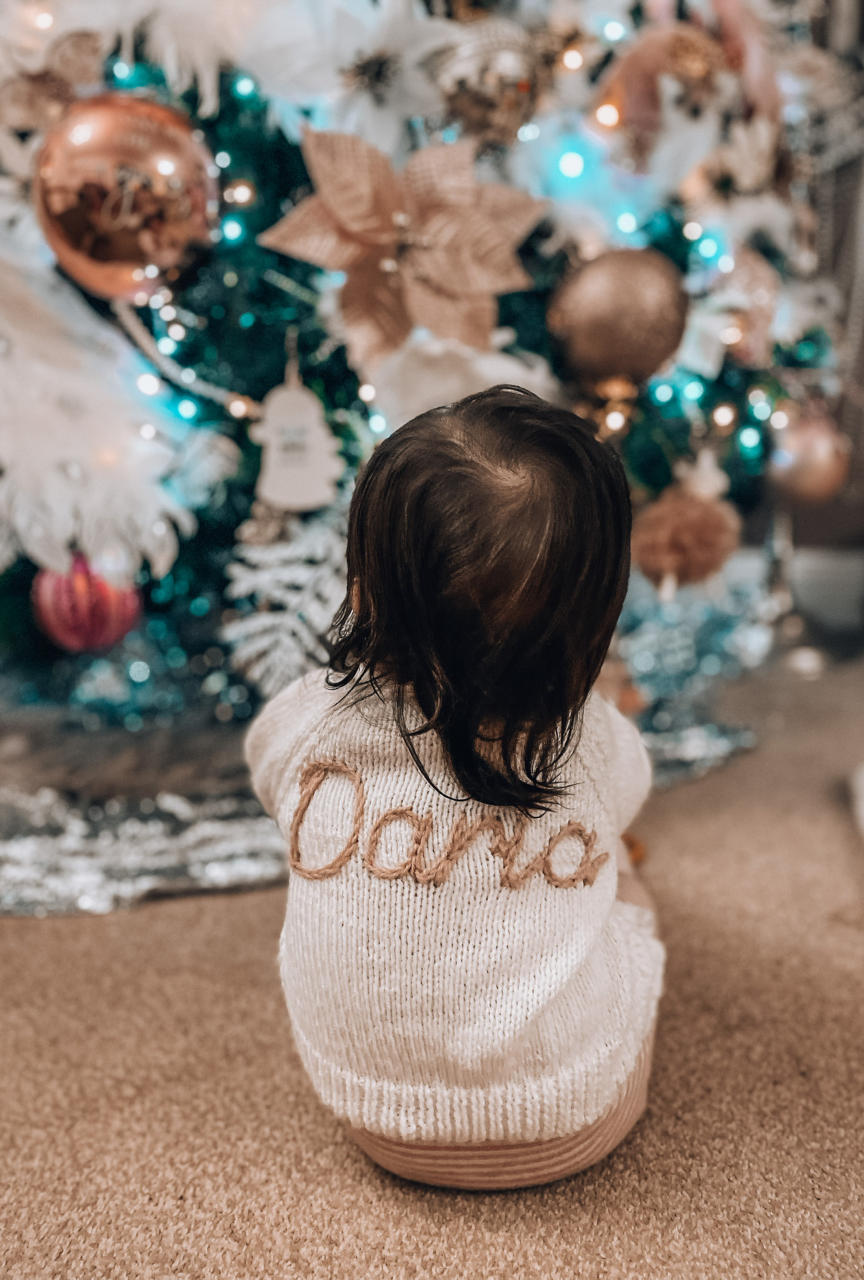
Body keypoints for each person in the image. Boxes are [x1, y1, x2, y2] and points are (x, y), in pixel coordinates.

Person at [245, 385, 664, 1190]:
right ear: (593, 612)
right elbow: (630, 796)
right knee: (630, 890)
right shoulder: (590, 736)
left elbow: (273, 780)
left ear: (366, 580)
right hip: (577, 1117)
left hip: (374, 1116)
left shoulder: (313, 722)